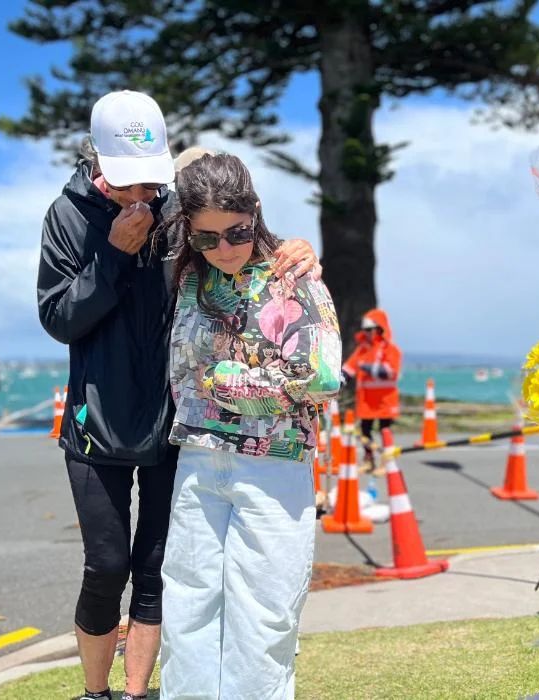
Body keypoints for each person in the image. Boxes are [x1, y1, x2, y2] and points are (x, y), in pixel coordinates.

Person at [35, 90, 319, 700]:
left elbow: (234, 251)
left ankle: (136, 691)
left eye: (150, 183)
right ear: (98, 162)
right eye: (126, 183)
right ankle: (96, 691)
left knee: (156, 571)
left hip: (171, 421)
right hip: (95, 420)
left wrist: (295, 251)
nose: (141, 196)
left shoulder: (176, 210)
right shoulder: (67, 215)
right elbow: (58, 319)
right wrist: (113, 254)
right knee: (105, 565)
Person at [159, 153, 342, 698]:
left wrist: (227, 383)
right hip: (196, 459)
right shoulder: (191, 274)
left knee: (264, 618)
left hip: (273, 466)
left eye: (236, 232)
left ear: (255, 213)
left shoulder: (293, 274)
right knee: (187, 611)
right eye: (207, 238)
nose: (224, 249)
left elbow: (322, 375)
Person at [343, 309, 403, 472]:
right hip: (367, 400)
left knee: (385, 432)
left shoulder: (391, 349)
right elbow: (349, 368)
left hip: (385, 400)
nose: (367, 333)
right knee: (365, 432)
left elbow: (390, 372)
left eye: (370, 330)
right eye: (365, 330)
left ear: (379, 329)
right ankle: (369, 460)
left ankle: (387, 463)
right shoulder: (363, 349)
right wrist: (337, 381)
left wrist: (366, 367)